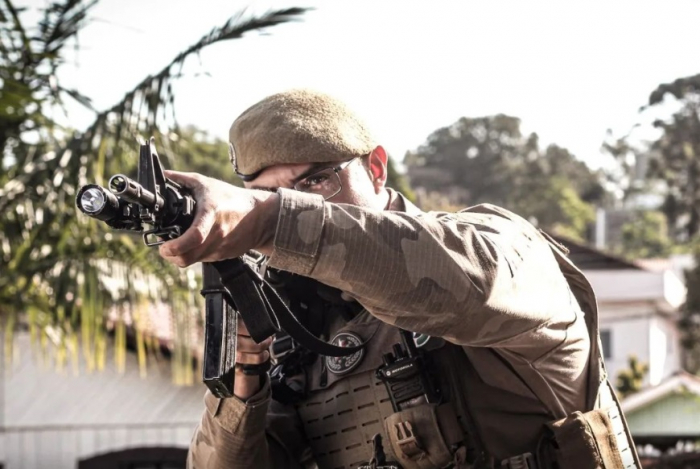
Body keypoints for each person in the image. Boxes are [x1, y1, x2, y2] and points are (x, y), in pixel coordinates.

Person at [158, 89, 640, 469]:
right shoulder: (299, 329)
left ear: (376, 168)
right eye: (267, 194)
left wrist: (270, 220)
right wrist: (245, 383)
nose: (297, 203)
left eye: (316, 181)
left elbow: (466, 286)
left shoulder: (499, 246)